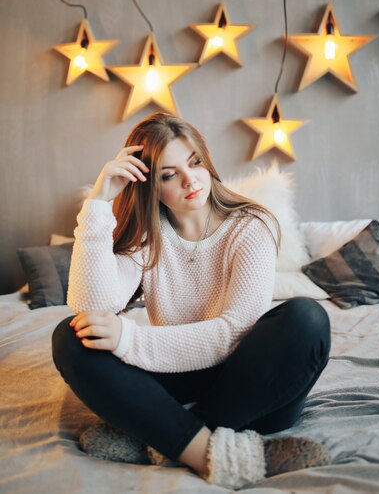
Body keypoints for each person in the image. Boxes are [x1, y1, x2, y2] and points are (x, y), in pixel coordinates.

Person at [52, 112, 331, 490]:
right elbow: (91, 305)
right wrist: (99, 203)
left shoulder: (252, 225)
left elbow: (234, 333)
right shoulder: (149, 237)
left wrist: (129, 339)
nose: (189, 180)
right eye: (168, 175)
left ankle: (166, 435)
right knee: (72, 336)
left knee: (307, 318)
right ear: (149, 185)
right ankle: (201, 448)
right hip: (177, 373)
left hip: (250, 385)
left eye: (194, 162)